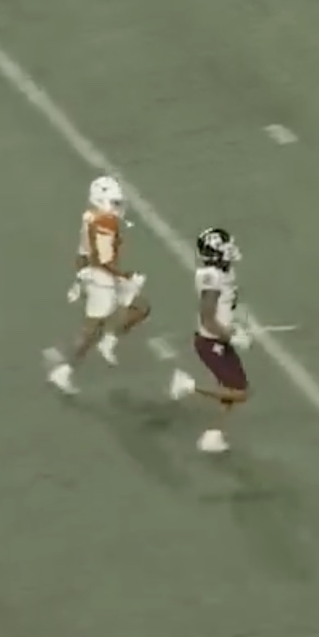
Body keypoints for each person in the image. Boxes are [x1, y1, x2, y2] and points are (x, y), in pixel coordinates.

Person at [47, 175, 152, 394]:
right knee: (90, 332)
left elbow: (82, 254)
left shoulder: (91, 218)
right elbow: (105, 261)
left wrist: (79, 278)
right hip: (102, 280)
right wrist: (127, 276)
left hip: (99, 275)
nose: (118, 206)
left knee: (140, 307)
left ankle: (108, 340)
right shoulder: (104, 222)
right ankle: (65, 370)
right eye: (114, 202)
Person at [169, 228, 248, 454]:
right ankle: (188, 385)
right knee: (240, 392)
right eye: (225, 248)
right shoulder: (211, 279)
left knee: (231, 388)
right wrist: (233, 336)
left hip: (218, 338)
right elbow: (208, 318)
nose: (230, 250)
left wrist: (234, 329)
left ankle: (213, 435)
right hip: (212, 340)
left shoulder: (223, 273)